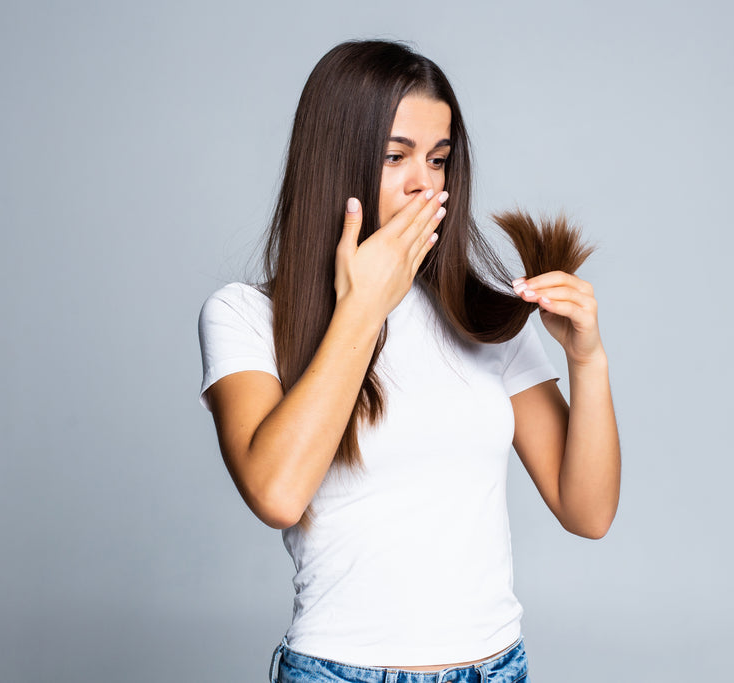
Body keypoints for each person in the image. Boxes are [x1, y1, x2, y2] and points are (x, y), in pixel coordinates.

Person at [198, 40, 620, 683]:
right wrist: (362, 310)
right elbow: (277, 493)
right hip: (342, 671)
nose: (425, 182)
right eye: (396, 157)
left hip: (495, 668)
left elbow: (587, 511)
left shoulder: (480, 315)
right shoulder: (245, 316)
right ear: (337, 163)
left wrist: (588, 362)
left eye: (439, 159)